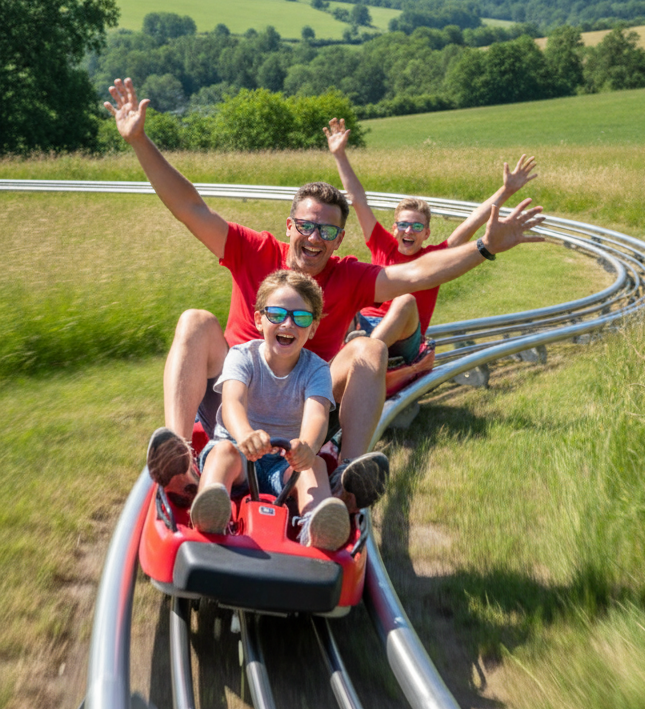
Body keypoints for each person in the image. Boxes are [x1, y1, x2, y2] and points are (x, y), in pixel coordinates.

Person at [105, 77, 546, 513]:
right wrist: (141, 141)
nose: (315, 238)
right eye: (307, 226)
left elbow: (416, 273)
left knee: (370, 348)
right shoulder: (252, 249)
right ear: (290, 227)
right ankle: (179, 459)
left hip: (309, 398)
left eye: (328, 230)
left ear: (338, 240)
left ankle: (346, 476)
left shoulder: (349, 276)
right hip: (237, 385)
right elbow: (190, 208)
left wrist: (484, 247)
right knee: (195, 320)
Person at [325, 116, 537, 362]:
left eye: (416, 226)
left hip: (404, 335)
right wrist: (339, 154)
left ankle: (364, 355)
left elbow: (474, 220)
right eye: (403, 225)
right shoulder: (381, 245)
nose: (409, 231)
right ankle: (341, 350)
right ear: (394, 228)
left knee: (405, 300)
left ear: (426, 233)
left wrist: (507, 190)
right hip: (364, 323)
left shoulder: (436, 257)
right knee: (343, 292)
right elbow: (358, 199)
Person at [180, 269, 350, 550]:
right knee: (223, 453)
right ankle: (211, 505)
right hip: (238, 451)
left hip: (286, 463)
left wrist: (307, 445)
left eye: (301, 318)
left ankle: (318, 523)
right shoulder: (242, 356)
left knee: (314, 465)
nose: (288, 323)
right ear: (259, 319)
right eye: (277, 314)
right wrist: (245, 433)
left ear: (313, 328)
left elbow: (317, 413)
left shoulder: (317, 369)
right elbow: (233, 400)